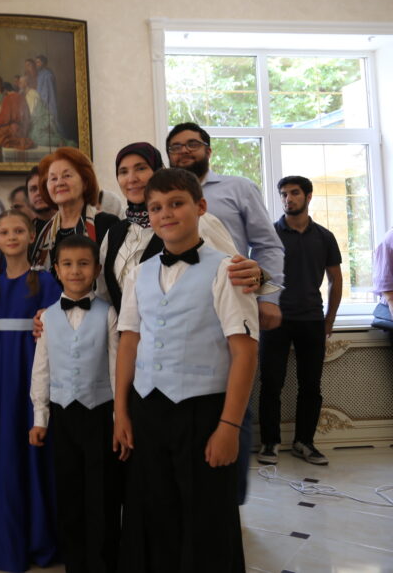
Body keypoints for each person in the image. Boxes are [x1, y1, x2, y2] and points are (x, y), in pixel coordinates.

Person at [113, 168, 258, 572]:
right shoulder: (139, 274)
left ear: (201, 207)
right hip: (148, 409)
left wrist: (229, 427)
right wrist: (121, 412)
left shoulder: (228, 270)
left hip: (204, 412)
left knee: (206, 515)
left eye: (176, 204)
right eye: (156, 207)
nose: (166, 214)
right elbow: (129, 342)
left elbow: (245, 352)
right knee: (154, 511)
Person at [166, 121, 285, 502]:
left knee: (235, 396)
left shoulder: (238, 188)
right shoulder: (165, 196)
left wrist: (269, 298)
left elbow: (268, 245)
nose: (184, 151)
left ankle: (229, 504)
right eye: (175, 147)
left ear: (208, 150)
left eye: (192, 144)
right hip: (184, 314)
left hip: (233, 305)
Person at [30, 234, 120, 573]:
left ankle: (103, 562)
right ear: (56, 269)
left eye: (83, 264)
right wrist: (40, 418)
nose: (75, 271)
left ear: (96, 269)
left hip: (100, 414)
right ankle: (75, 563)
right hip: (62, 414)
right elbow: (41, 369)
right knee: (68, 493)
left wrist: (119, 418)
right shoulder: (47, 317)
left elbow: (117, 370)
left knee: (102, 493)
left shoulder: (109, 313)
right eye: (67, 264)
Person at [0, 210, 60, 572]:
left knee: (30, 445)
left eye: (18, 231)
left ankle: (38, 535)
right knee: (4, 444)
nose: (11, 237)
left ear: (31, 237)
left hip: (30, 366)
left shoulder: (45, 281)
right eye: (4, 232)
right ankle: (5, 535)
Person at [99, 142, 264, 313]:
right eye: (123, 172)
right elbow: (104, 295)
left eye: (141, 168)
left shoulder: (196, 221)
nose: (132, 178)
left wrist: (257, 277)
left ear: (158, 171)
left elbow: (240, 275)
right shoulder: (115, 233)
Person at [258, 175, 342, 467]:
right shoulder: (269, 235)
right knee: (271, 384)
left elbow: (335, 280)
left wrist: (329, 320)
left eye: (294, 193)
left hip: (311, 320)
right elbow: (257, 277)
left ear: (308, 196)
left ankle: (304, 442)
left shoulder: (325, 237)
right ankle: (270, 442)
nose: (288, 199)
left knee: (311, 386)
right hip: (274, 320)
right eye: (283, 194)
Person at [32, 147, 119, 272]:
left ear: (85, 182)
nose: (59, 183)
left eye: (66, 176)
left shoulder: (107, 225)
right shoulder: (43, 232)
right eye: (53, 178)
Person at [0, 83, 32, 161]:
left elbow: (3, 119)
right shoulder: (21, 97)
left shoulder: (8, 98)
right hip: (22, 130)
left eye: (3, 93)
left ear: (5, 91)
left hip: (12, 131)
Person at [26, 166, 54, 238]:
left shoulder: (70, 225)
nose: (39, 193)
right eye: (33, 189)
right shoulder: (25, 230)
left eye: (44, 187)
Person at [33, 54, 59, 130]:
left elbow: (48, 92)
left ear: (43, 63)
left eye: (38, 62)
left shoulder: (47, 75)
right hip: (40, 102)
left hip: (47, 103)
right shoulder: (40, 74)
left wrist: (42, 104)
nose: (36, 64)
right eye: (36, 62)